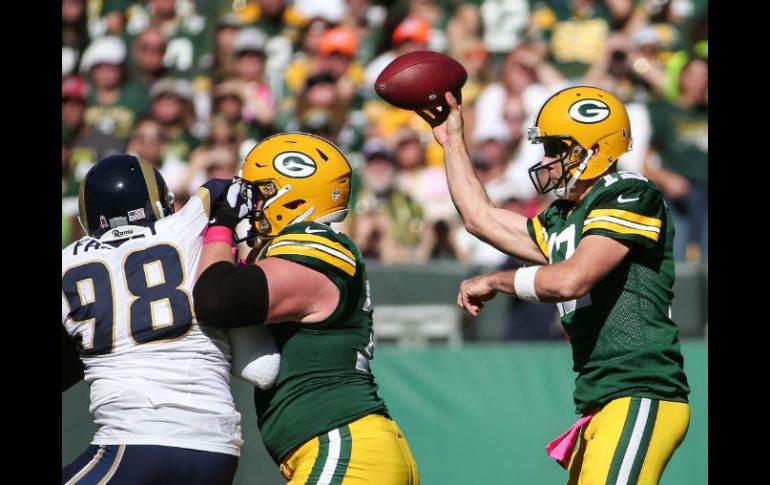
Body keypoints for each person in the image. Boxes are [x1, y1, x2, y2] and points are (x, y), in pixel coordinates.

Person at [422, 87, 690, 484]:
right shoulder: (568, 215)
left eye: (555, 148)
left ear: (594, 150)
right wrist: (453, 141)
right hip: (604, 399)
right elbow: (481, 219)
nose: (545, 160)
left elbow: (571, 279)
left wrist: (497, 280)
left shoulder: (629, 192)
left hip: (642, 391)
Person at [192, 133, 420, 484]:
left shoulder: (315, 243)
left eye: (258, 193)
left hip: (343, 446)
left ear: (290, 196)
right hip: (354, 447)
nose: (250, 207)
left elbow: (217, 300)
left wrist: (219, 225)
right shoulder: (309, 248)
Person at [61, 154, 279, 484]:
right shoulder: (189, 227)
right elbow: (222, 190)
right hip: (219, 448)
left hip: (134, 442)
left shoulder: (67, 263)